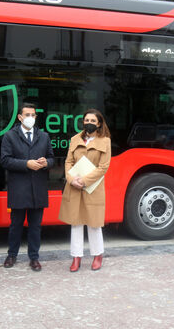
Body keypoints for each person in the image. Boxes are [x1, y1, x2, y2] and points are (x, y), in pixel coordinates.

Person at [0, 103, 54, 271]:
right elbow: (5, 160)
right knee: (15, 225)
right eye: (27, 114)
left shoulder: (44, 136)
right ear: (20, 117)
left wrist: (46, 163)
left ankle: (34, 258)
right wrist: (26, 164)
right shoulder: (9, 136)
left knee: (35, 226)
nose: (31, 117)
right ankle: (12, 255)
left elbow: (52, 158)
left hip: (38, 188)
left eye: (33, 115)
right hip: (18, 189)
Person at [58, 109, 111, 272]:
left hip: (92, 188)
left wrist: (84, 180)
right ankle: (76, 257)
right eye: (86, 120)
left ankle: (97, 255)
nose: (89, 123)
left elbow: (103, 167)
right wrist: (71, 178)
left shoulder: (105, 141)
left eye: (93, 121)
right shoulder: (75, 139)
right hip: (74, 187)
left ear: (99, 124)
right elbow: (68, 162)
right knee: (76, 223)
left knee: (94, 224)